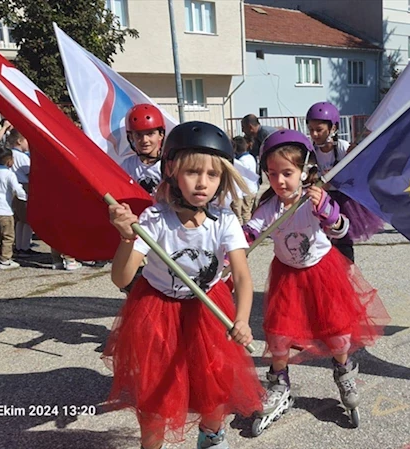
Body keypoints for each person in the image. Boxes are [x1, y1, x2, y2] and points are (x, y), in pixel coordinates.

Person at [103, 121, 263, 449]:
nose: (202, 183)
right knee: (156, 390)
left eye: (212, 175)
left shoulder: (225, 221)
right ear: (172, 170)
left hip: (208, 307)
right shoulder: (153, 219)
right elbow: (121, 278)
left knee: (214, 382)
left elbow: (243, 276)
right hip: (158, 308)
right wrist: (126, 237)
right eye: (192, 172)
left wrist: (243, 319)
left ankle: (212, 436)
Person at [243, 129, 390, 430]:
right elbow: (251, 232)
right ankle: (279, 383)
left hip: (322, 273)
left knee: (336, 334)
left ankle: (343, 369)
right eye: (272, 174)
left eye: (287, 173)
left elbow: (340, 229)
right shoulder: (271, 207)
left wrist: (327, 212)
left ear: (304, 171)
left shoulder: (314, 200)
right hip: (288, 276)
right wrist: (238, 247)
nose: (280, 181)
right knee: (278, 335)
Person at [305, 102, 385, 262]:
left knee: (343, 241)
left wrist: (354, 160)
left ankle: (347, 272)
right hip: (321, 200)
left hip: (343, 201)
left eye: (319, 130)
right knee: (321, 241)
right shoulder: (310, 151)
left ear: (333, 129)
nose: (314, 134)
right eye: (311, 129)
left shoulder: (343, 148)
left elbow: (358, 176)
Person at [6, 130, 39, 257]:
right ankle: (25, 247)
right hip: (24, 187)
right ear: (19, 141)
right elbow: (30, 172)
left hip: (12, 189)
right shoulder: (22, 157)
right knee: (28, 219)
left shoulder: (9, 155)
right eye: (26, 140)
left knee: (19, 219)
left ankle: (19, 245)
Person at [121, 104, 165, 195]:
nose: (144, 140)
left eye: (150, 134)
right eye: (138, 135)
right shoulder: (127, 166)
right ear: (131, 137)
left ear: (161, 135)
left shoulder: (169, 166)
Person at [229, 136, 258, 224]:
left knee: (244, 214)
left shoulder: (240, 162)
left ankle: (247, 233)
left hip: (245, 192)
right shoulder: (250, 157)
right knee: (248, 212)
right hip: (253, 189)